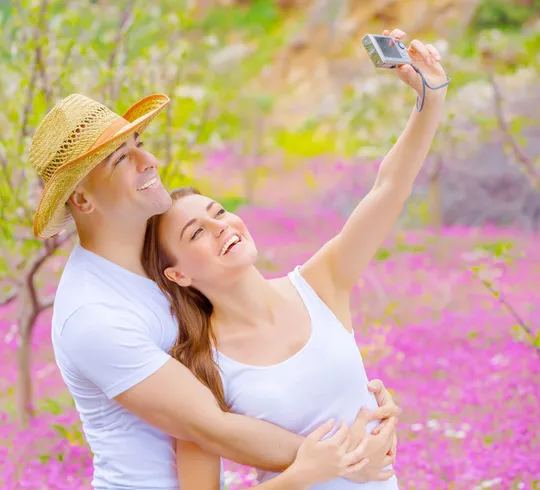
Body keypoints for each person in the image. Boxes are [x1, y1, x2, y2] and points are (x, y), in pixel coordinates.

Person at [29, 29, 405, 490]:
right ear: (83, 201)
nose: (148, 161)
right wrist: (351, 453)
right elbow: (210, 426)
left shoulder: (156, 258)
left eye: (139, 144)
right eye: (121, 159)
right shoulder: (93, 314)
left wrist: (356, 405)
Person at [141, 29, 449, 489]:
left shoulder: (320, 284)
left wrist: (431, 98)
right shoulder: (200, 369)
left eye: (219, 211)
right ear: (178, 273)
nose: (222, 226)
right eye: (197, 232)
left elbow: (389, 188)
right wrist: (303, 474)